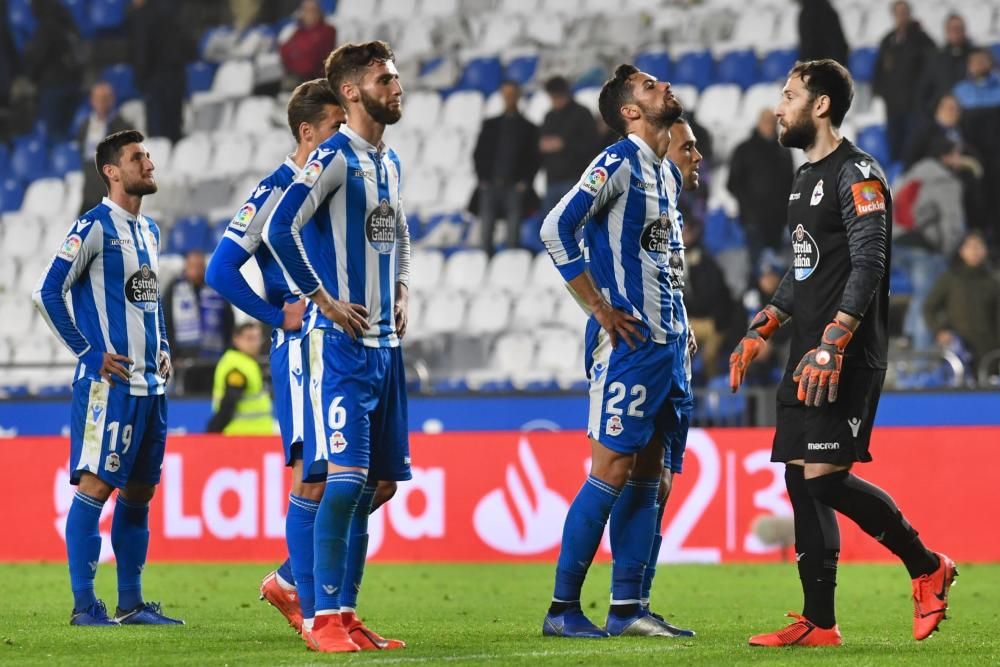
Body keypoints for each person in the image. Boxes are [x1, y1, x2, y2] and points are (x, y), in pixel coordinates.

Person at [728, 59, 955, 647]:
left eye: (788, 95)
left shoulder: (859, 173)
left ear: (821, 105)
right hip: (805, 352)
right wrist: (763, 327)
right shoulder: (804, 178)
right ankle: (819, 623)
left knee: (827, 482)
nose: (778, 108)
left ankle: (927, 566)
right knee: (803, 484)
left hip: (843, 354)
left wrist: (835, 339)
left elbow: (870, 261)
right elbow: (803, 271)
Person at [204, 78, 399, 643]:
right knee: (314, 477)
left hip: (350, 337)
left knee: (373, 484)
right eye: (337, 126)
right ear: (308, 132)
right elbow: (220, 270)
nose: (347, 134)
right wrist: (275, 316)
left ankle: (299, 584)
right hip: (305, 346)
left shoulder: (345, 178)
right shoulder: (278, 189)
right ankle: (318, 612)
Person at [264, 40, 412, 653]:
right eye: (385, 78)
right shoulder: (331, 156)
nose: (396, 85)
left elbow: (399, 232)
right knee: (344, 482)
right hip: (340, 347)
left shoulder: (389, 162)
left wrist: (401, 288)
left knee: (377, 483)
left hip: (384, 346)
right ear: (351, 91)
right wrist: (321, 299)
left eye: (396, 76)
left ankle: (346, 614)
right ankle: (321, 619)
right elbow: (280, 228)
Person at [539, 63, 690, 638]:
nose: (664, 88)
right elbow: (556, 228)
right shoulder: (618, 161)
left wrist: (679, 318)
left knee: (650, 473)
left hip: (666, 345)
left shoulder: (665, 176)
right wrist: (598, 308)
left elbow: (663, 260)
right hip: (627, 344)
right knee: (611, 469)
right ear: (630, 111)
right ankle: (562, 608)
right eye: (651, 87)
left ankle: (628, 608)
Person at [32, 129, 183, 626]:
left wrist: (161, 346)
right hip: (107, 387)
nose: (149, 163)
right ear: (112, 171)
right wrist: (88, 352)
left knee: (139, 494)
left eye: (148, 155)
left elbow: (147, 301)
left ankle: (132, 603)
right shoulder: (93, 226)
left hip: (150, 387)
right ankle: (83, 606)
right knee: (95, 489)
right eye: (137, 157)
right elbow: (47, 292)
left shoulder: (150, 231)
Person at [630, 115, 705, 634]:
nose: (697, 156)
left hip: (674, 346)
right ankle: (620, 601)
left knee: (665, 482)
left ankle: (640, 599)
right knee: (638, 477)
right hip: (639, 349)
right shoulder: (635, 193)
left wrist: (682, 321)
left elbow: (667, 277)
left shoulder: (672, 212)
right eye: (688, 147)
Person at [893, 136, 967, 350]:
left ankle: (907, 334)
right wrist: (948, 251)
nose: (959, 159)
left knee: (920, 294)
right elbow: (953, 224)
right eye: (956, 154)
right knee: (928, 300)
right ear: (945, 156)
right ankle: (921, 358)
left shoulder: (912, 173)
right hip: (923, 247)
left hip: (897, 244)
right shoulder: (946, 181)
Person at [472, 80, 539, 255]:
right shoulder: (490, 125)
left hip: (514, 186)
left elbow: (534, 158)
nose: (509, 98)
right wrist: (483, 179)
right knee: (486, 230)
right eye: (506, 94)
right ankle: (485, 262)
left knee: (513, 231)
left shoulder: (529, 127)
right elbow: (478, 153)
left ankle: (510, 265)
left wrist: (525, 182)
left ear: (518, 96)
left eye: (512, 94)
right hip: (490, 184)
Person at [727, 108, 795, 270]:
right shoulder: (743, 149)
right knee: (757, 267)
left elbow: (791, 182)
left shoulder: (784, 152)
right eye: (766, 122)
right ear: (758, 123)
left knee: (778, 268)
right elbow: (732, 183)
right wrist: (748, 207)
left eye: (773, 122)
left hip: (778, 221)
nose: (769, 126)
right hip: (753, 221)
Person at [924, 231, 1000, 369]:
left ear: (985, 250)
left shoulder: (994, 280)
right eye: (970, 246)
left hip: (990, 349)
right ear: (961, 251)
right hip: (959, 348)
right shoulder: (951, 278)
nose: (974, 251)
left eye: (978, 246)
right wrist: (939, 331)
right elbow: (929, 307)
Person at [872, 1, 936, 163]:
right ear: (893, 15)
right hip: (893, 107)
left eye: (904, 12)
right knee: (896, 149)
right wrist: (881, 94)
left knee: (913, 151)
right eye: (898, 13)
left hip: (915, 107)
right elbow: (879, 72)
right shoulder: (887, 41)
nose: (901, 16)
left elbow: (932, 70)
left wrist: (923, 97)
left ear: (910, 14)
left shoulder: (922, 39)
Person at [163, 250, 234, 393]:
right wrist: (172, 354)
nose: (196, 270)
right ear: (186, 267)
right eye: (192, 266)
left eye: (199, 266)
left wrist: (227, 351)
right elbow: (166, 323)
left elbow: (228, 322)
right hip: (184, 359)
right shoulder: (174, 289)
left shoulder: (216, 288)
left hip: (214, 358)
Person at [129, 0, 194, 142]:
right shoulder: (173, 8)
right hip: (176, 77)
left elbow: (142, 50)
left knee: (158, 134)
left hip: (155, 81)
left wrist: (140, 79)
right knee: (173, 130)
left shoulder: (144, 15)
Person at [539, 75, 599, 214]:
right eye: (551, 97)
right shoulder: (549, 116)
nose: (554, 100)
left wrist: (564, 145)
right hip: (552, 180)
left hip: (575, 179)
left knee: (575, 226)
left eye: (556, 96)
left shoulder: (582, 113)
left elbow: (592, 145)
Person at [23, 0, 83, 140]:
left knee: (55, 134)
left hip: (53, 88)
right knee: (69, 133)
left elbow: (38, 58)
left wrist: (30, 77)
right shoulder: (70, 25)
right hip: (74, 84)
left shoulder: (46, 28)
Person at [207, 322, 273, 433]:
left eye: (258, 338)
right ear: (236, 339)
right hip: (240, 436)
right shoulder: (236, 365)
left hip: (254, 436)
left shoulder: (248, 362)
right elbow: (229, 402)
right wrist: (212, 430)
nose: (255, 343)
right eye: (249, 338)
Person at [78, 82, 131, 215]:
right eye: (97, 99)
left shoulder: (123, 127)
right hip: (89, 192)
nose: (101, 103)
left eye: (105, 99)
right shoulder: (85, 125)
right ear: (92, 101)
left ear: (112, 100)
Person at [919, 13, 975, 111]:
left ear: (964, 30)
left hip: (972, 115)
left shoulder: (977, 56)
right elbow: (925, 90)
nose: (956, 32)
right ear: (946, 32)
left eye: (959, 29)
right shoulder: (935, 59)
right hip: (943, 117)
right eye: (952, 29)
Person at [279, 0, 337, 87]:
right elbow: (284, 51)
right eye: (306, 10)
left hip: (316, 81)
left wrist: (296, 54)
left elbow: (311, 62)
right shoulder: (298, 31)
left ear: (319, 12)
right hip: (295, 77)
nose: (310, 14)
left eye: (313, 10)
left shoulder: (328, 31)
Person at [797, 0, 849, 67]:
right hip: (832, 63)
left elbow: (808, 47)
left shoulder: (808, 13)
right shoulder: (828, 10)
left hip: (824, 64)